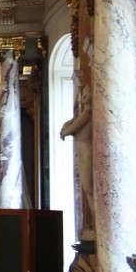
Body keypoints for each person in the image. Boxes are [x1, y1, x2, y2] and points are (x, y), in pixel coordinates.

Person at [60, 85, 94, 239]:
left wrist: (65, 128)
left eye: (87, 93)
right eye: (83, 94)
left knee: (89, 188)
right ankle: (95, 222)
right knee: (87, 189)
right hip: (81, 153)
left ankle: (98, 222)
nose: (84, 96)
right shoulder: (83, 113)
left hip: (87, 153)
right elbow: (70, 126)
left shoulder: (87, 112)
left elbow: (68, 130)